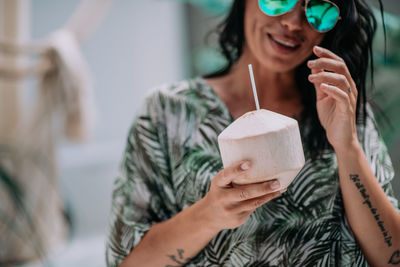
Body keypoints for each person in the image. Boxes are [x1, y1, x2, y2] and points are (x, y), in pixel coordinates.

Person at [106, 0, 400, 266]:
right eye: (278, 0)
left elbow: (392, 258)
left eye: (319, 9)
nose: (294, 23)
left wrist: (347, 145)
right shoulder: (167, 112)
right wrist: (210, 214)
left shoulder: (341, 109)